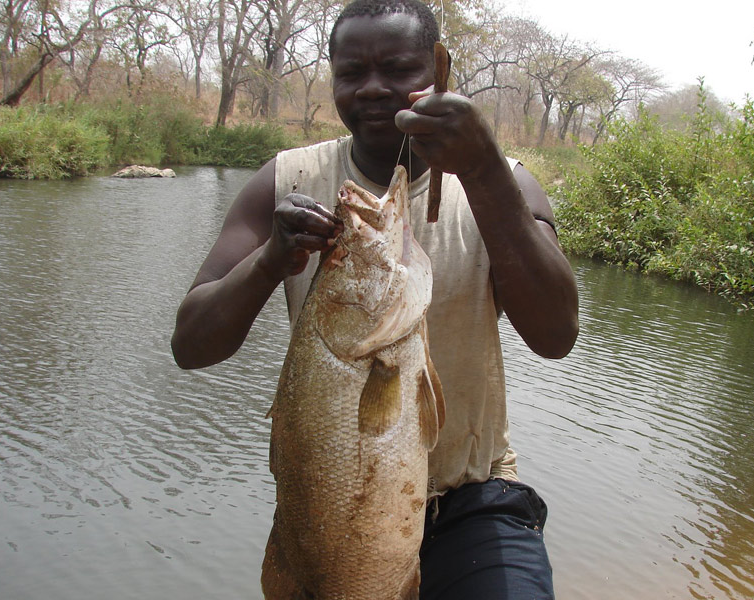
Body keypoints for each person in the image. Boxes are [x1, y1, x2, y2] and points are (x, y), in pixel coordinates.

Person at [171, 0, 579, 596]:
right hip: (339, 502)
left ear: (438, 71)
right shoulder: (284, 181)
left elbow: (556, 336)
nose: (373, 89)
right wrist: (268, 262)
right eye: (351, 72)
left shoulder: (502, 183)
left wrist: (485, 167)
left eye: (397, 68)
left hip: (474, 498)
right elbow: (190, 346)